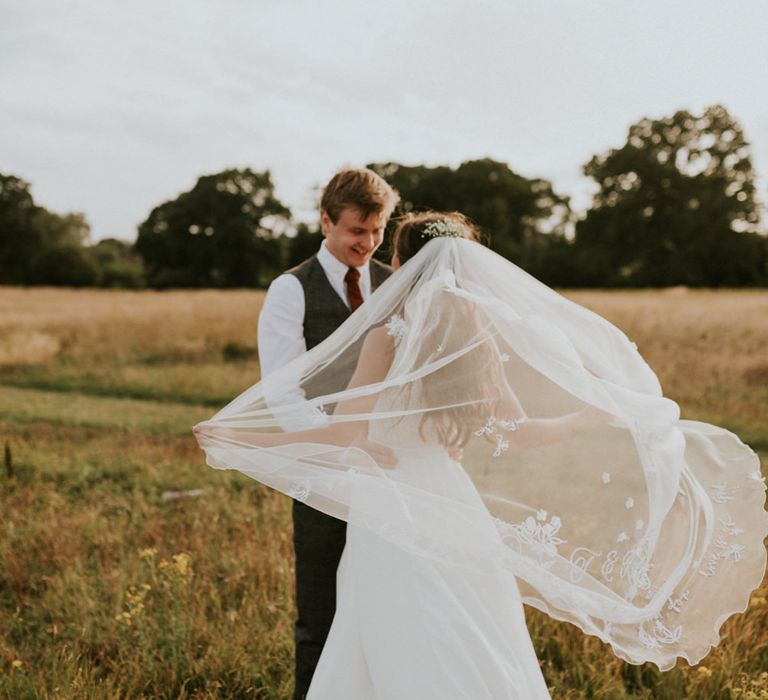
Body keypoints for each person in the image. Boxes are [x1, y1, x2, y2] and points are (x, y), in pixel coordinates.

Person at [195, 212, 768, 699]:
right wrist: (586, 414)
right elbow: (522, 431)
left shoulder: (387, 336)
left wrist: (243, 440)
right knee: (468, 636)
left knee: (396, 638)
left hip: (392, 515)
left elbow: (343, 434)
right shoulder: (476, 338)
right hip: (454, 506)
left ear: (404, 265)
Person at [255, 167, 399, 699]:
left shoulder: (394, 282)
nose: (368, 243)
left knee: (385, 607)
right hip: (321, 476)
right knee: (319, 612)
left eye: (377, 231)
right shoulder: (290, 290)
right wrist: (341, 443)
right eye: (357, 231)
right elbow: (281, 392)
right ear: (326, 222)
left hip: (390, 470)